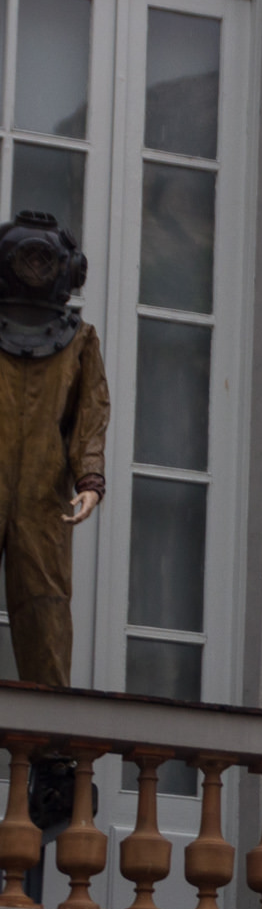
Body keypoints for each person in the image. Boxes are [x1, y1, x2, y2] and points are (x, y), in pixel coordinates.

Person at [0, 210, 106, 687]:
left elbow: (90, 414)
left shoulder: (79, 341)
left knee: (45, 609)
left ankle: (51, 729)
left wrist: (89, 478)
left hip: (45, 494)